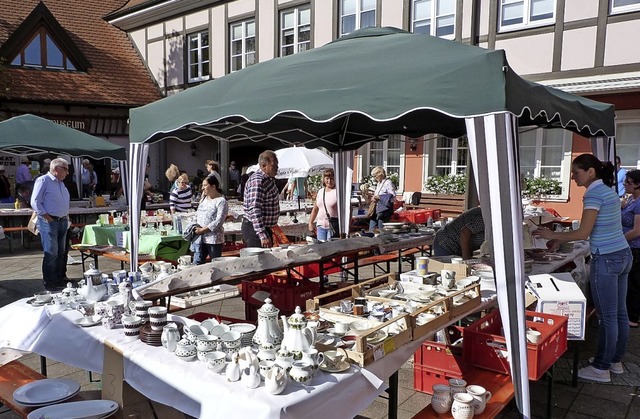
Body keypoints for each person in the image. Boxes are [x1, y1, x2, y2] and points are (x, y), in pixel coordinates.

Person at [533, 154, 631, 383]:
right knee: (619, 313)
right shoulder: (608, 191)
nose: (573, 177)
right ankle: (613, 361)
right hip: (622, 254)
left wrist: (552, 234)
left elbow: (583, 233)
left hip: (606, 258)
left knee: (608, 317)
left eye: (576, 172)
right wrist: (559, 238)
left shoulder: (594, 193)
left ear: (591, 172)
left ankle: (601, 368)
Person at [30, 158, 71, 291]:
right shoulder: (43, 180)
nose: (67, 172)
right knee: (51, 252)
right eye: (65, 169)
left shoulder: (60, 183)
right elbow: (35, 201)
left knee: (61, 252)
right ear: (56, 169)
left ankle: (60, 277)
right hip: (50, 221)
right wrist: (46, 217)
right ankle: (50, 281)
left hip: (62, 220)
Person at [242, 150, 280, 248]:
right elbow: (254, 209)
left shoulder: (268, 180)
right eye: (274, 165)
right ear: (263, 166)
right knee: (258, 261)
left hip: (263, 228)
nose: (277, 168)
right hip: (255, 229)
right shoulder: (258, 181)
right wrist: (262, 235)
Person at [193, 175, 228, 263]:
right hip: (200, 239)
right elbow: (197, 214)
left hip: (213, 240)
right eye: (202, 185)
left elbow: (219, 221)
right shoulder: (204, 199)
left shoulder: (221, 201)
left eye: (205, 185)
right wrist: (193, 226)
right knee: (197, 264)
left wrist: (203, 230)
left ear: (213, 186)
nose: (202, 188)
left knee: (215, 265)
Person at [622, 170, 640, 328]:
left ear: (637, 184)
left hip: (636, 248)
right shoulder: (631, 200)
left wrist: (618, 240)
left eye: (628, 182)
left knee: (634, 282)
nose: (625, 185)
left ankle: (633, 317)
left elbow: (637, 231)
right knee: (630, 281)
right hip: (630, 247)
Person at [308, 168, 339, 241]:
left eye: (331, 178)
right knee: (321, 248)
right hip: (320, 226)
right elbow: (315, 209)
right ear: (324, 179)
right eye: (327, 178)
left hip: (333, 226)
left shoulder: (338, 192)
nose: (329, 181)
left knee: (330, 248)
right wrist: (310, 222)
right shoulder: (321, 192)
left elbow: (348, 208)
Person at [368, 166, 396, 231]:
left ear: (380, 174)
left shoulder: (388, 183)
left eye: (375, 176)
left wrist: (379, 197)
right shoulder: (379, 183)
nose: (374, 178)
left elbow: (393, 196)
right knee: (371, 229)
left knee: (382, 230)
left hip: (384, 210)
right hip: (376, 209)